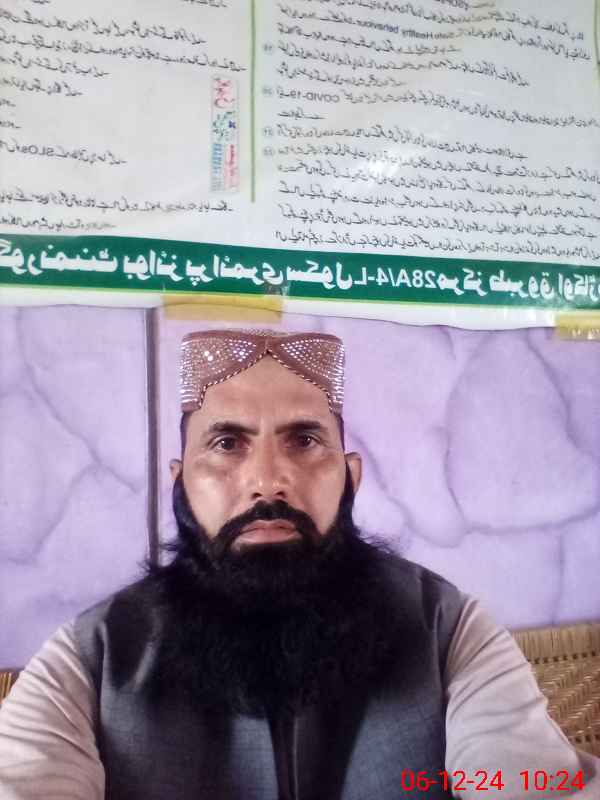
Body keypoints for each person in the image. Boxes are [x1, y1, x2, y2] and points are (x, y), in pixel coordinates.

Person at [0, 327, 598, 800]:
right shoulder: (93, 657)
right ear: (180, 485)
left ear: (351, 478)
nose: (267, 480)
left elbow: (528, 780)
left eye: (304, 441)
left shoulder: (447, 630)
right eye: (227, 444)